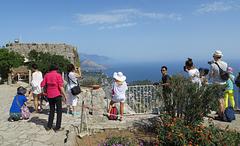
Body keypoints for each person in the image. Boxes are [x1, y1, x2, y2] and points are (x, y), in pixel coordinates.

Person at [41, 64, 67, 131]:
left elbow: (42, 84)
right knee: (59, 111)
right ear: (56, 69)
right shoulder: (58, 75)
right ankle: (57, 127)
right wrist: (65, 95)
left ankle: (49, 126)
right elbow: (61, 87)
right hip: (57, 95)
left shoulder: (47, 75)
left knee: (51, 110)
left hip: (49, 95)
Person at [208, 50, 228, 119]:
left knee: (219, 100)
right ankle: (222, 112)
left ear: (215, 57)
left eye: (213, 56)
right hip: (224, 83)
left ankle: (221, 115)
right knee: (222, 99)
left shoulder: (213, 65)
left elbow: (210, 75)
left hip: (217, 84)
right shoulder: (225, 64)